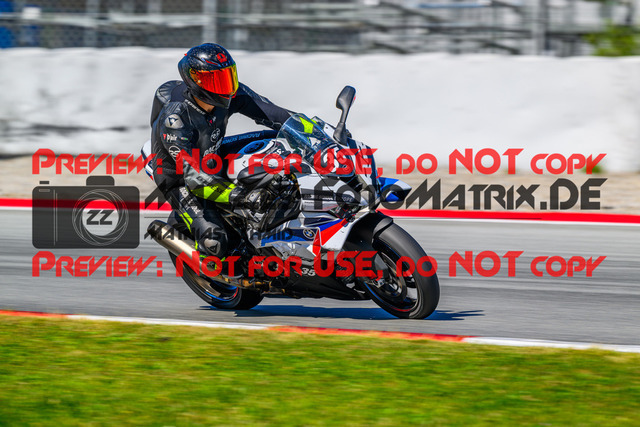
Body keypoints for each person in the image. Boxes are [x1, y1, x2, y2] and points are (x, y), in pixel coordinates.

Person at [150, 43, 295, 264]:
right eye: (215, 80)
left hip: (214, 154)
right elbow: (194, 178)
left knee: (276, 139)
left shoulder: (232, 92)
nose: (225, 87)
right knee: (216, 243)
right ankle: (208, 261)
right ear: (195, 81)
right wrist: (242, 197)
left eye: (227, 76)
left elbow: (275, 114)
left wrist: (318, 133)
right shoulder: (175, 118)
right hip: (182, 181)